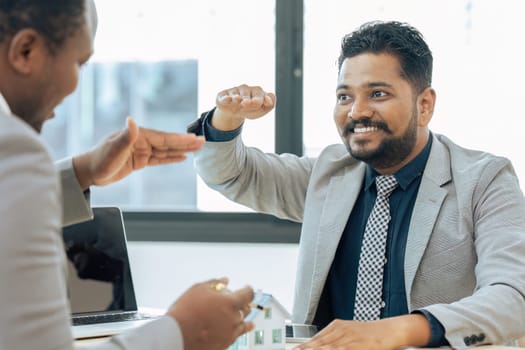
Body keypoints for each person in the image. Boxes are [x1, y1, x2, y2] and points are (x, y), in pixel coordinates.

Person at [189, 21, 525, 349]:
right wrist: (227, 120)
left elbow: (513, 296)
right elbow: (232, 175)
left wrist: (400, 331)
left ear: (424, 105)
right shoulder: (329, 173)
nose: (357, 112)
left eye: (377, 94)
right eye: (344, 97)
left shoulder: (485, 179)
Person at [0, 1, 255, 349]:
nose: (76, 84)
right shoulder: (14, 147)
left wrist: (82, 173)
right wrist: (182, 331)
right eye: (80, 63)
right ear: (25, 51)